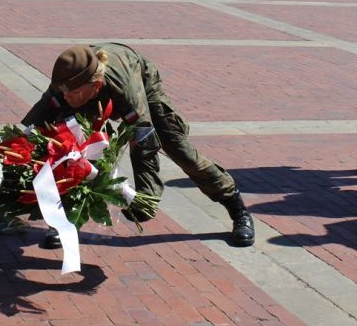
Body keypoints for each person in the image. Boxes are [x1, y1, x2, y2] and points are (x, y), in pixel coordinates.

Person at [23, 44, 255, 248]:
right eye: (62, 92)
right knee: (74, 150)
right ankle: (65, 221)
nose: (65, 97)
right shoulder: (68, 80)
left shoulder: (124, 89)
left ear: (95, 85)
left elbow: (143, 138)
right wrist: (13, 143)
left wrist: (145, 197)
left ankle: (237, 209)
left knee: (178, 148)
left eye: (71, 93)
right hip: (94, 92)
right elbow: (40, 113)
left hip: (141, 79)